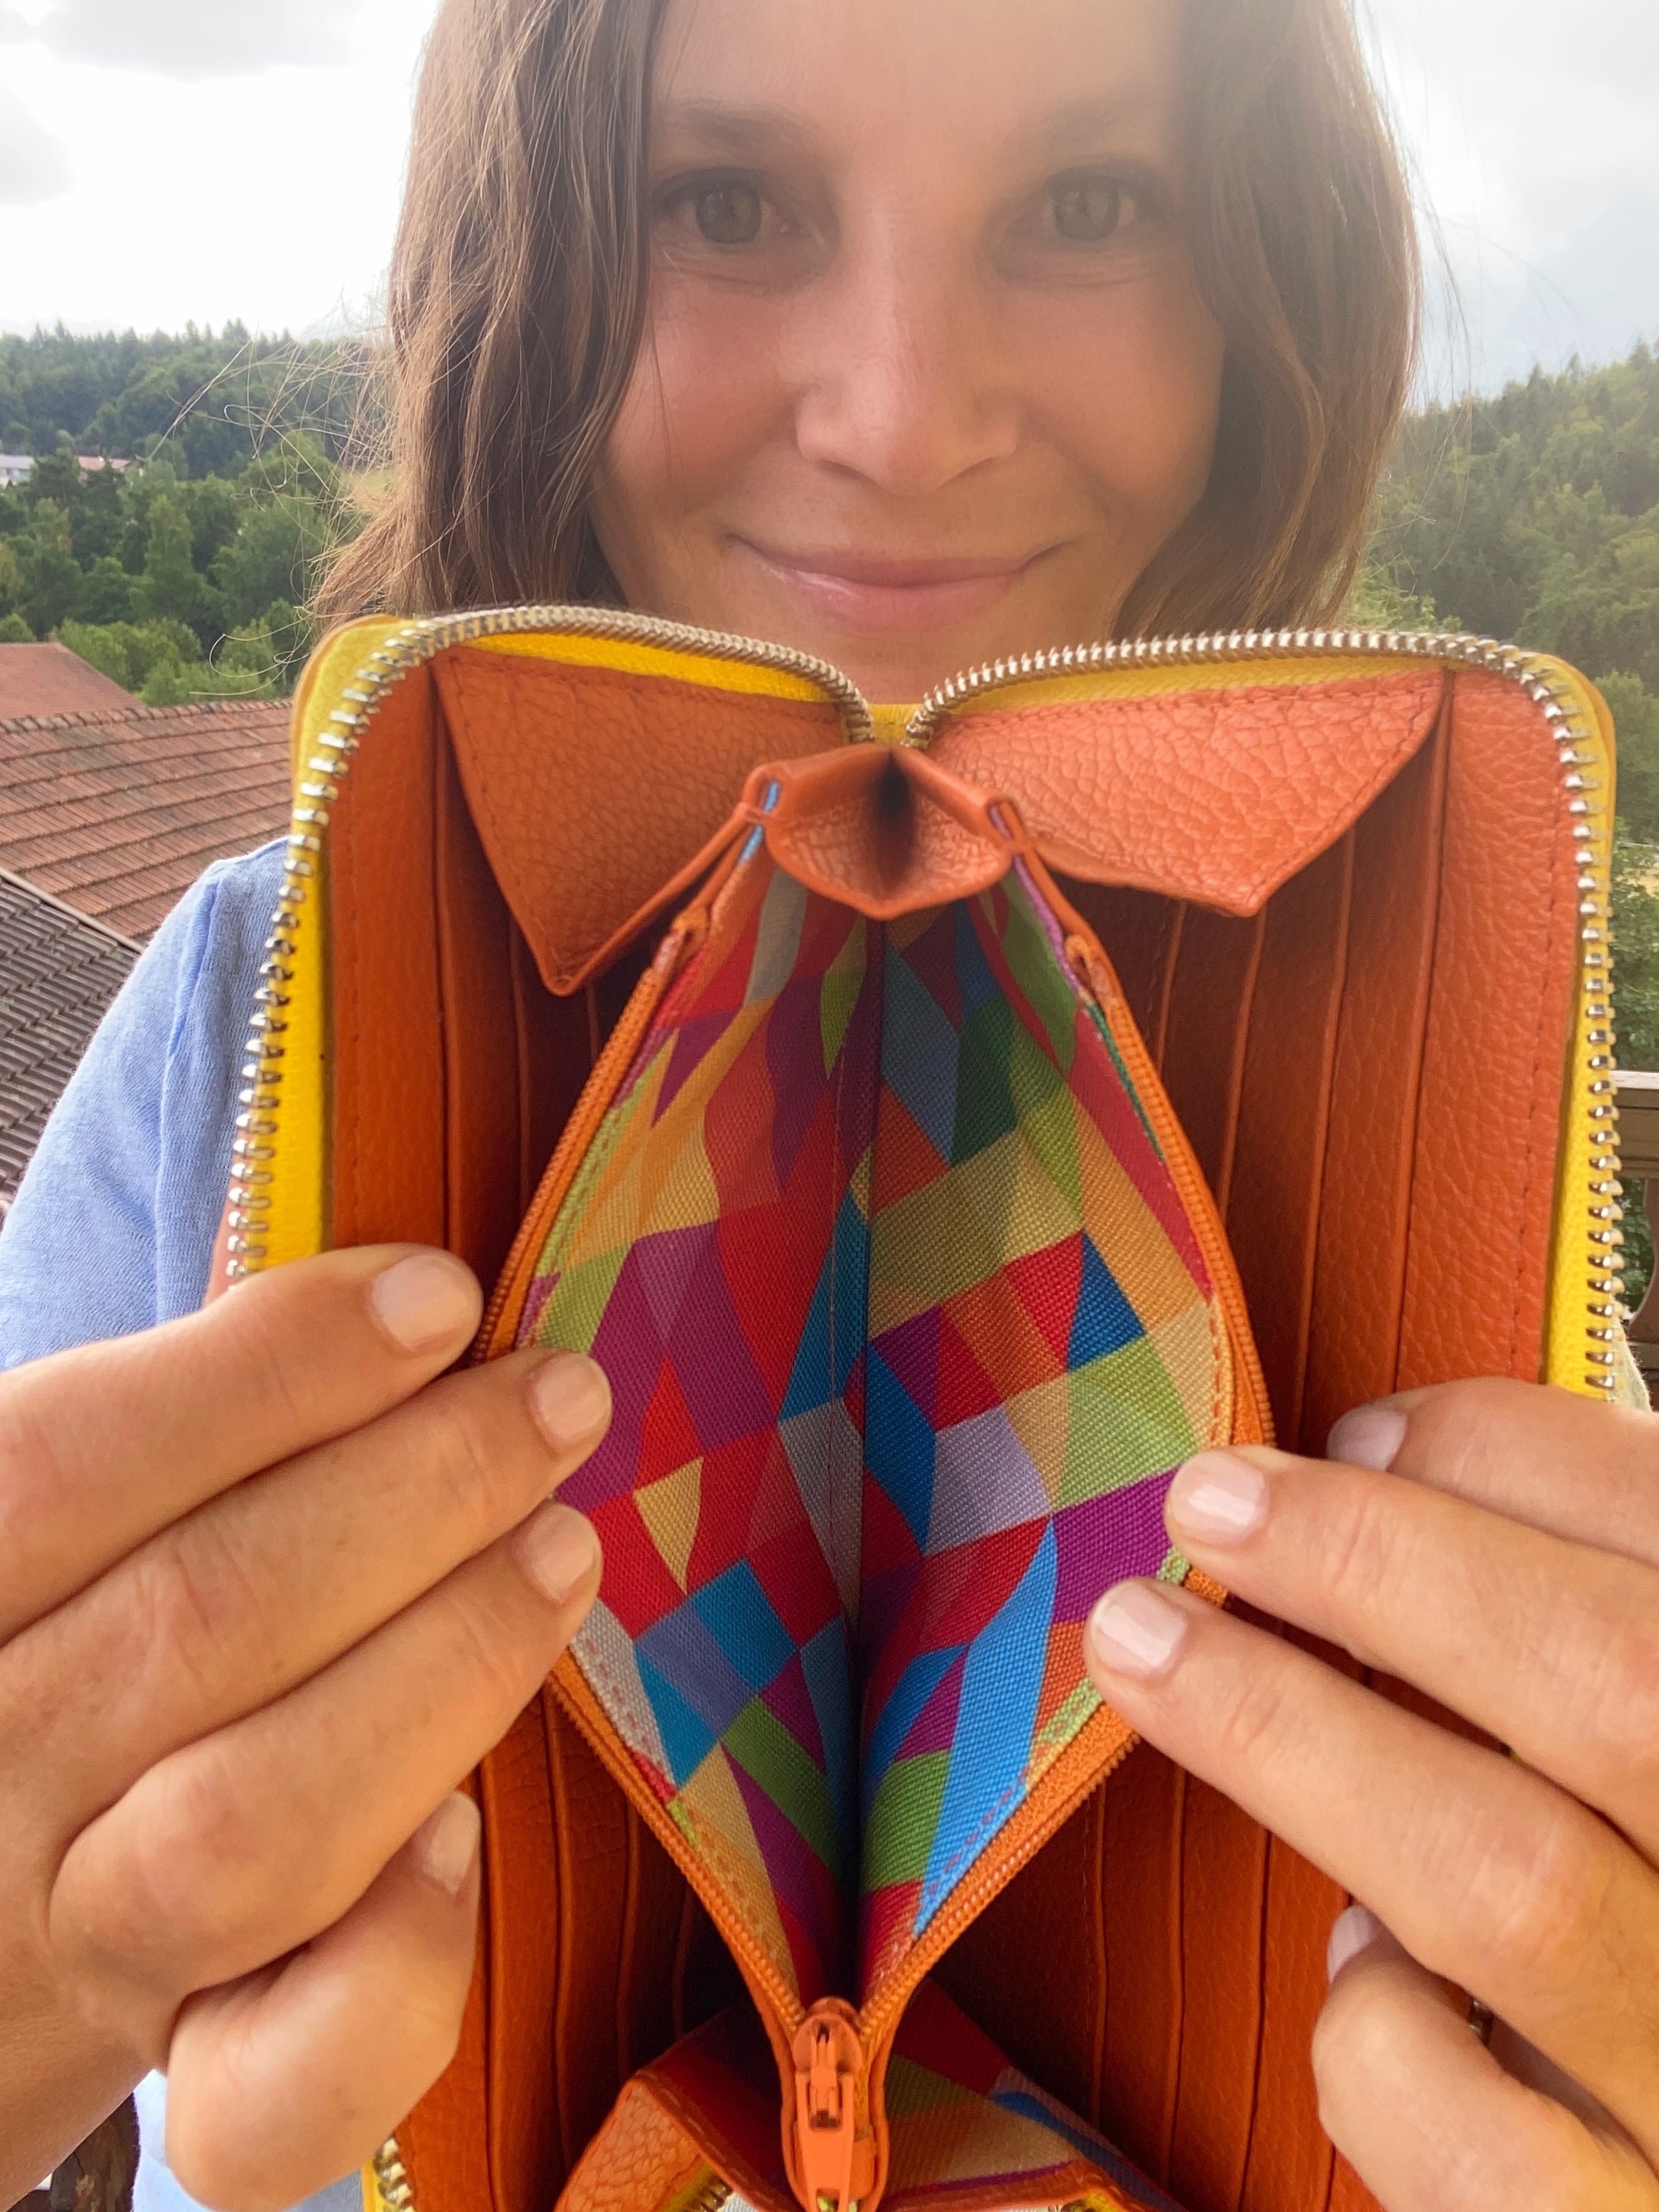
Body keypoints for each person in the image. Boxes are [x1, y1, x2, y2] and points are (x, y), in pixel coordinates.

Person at [1, 0, 1655, 2208]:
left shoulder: (1447, 1082)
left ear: (1267, 284)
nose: (899, 419)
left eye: (1087, 206)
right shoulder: (234, 1006)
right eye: (725, 205)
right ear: (532, 278)